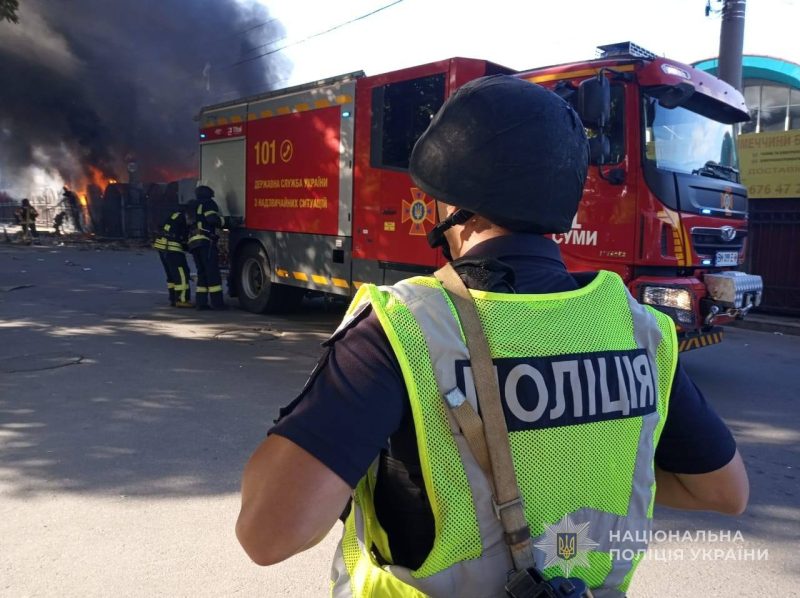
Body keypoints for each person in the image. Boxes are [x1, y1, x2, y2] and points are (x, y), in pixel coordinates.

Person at [235, 76, 749, 597]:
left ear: (451, 200)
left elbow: (268, 534)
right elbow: (724, 491)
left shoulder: (404, 329)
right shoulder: (639, 330)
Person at [187, 185, 225, 310]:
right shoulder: (209, 203)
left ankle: (201, 303)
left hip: (193, 243)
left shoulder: (192, 204)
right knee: (212, 272)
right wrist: (227, 222)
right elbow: (212, 220)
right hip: (205, 242)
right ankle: (217, 304)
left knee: (202, 272)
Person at [153, 206, 193, 307]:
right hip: (172, 248)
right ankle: (182, 300)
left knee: (171, 275)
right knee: (181, 275)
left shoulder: (174, 216)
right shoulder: (182, 219)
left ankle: (173, 298)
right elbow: (183, 237)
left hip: (162, 247)